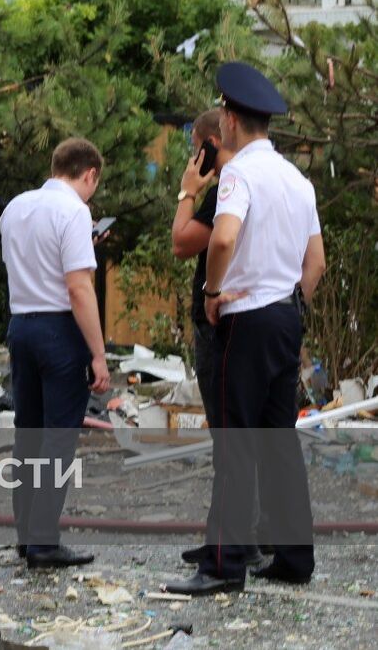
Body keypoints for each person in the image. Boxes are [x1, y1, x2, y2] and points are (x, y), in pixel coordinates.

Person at [166, 62, 326, 596]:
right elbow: (317, 263)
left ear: (229, 122)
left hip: (247, 316)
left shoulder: (239, 175)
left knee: (235, 442)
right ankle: (294, 556)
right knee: (279, 439)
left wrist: (213, 293)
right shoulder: (297, 179)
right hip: (285, 317)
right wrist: (289, 302)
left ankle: (224, 565)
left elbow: (222, 240)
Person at [0, 138, 111, 569]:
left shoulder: (16, 207)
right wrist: (98, 355)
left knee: (27, 434)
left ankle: (27, 535)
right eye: (92, 186)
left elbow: (31, 261)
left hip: (22, 323)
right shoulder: (74, 212)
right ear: (89, 174)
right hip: (59, 329)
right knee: (58, 438)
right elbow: (78, 287)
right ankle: (46, 541)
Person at [171, 110, 266, 569]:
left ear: (212, 141)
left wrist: (189, 190)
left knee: (230, 438)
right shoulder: (270, 178)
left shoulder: (229, 183)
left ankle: (234, 544)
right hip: (261, 318)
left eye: (196, 146)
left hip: (221, 320)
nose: (193, 154)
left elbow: (183, 241)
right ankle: (228, 537)